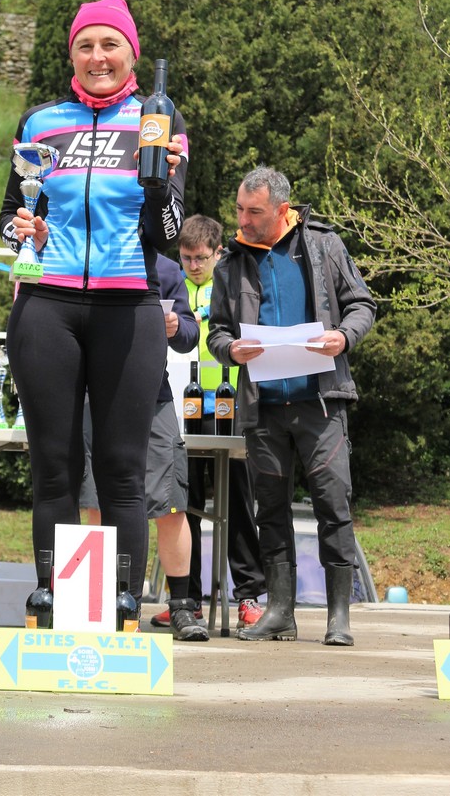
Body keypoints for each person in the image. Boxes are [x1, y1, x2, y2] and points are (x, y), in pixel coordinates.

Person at [0, 0, 188, 605]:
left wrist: (159, 184)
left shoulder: (157, 120)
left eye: (110, 44)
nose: (98, 56)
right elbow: (11, 215)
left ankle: (124, 599)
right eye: (86, 45)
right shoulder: (40, 122)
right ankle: (51, 593)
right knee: (52, 465)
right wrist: (22, 232)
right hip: (46, 307)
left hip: (128, 307)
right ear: (72, 55)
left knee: (121, 468)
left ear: (132, 53)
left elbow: (167, 234)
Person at [207, 166, 376, 646]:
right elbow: (217, 331)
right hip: (262, 407)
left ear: (283, 210)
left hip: (321, 403)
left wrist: (343, 337)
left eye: (254, 212)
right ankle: (280, 611)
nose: (243, 220)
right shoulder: (229, 262)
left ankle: (338, 616)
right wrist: (230, 350)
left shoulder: (324, 244)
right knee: (270, 510)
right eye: (239, 209)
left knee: (333, 504)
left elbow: (362, 304)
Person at [80, 252, 209, 641]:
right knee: (97, 503)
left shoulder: (166, 268)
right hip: (94, 396)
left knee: (170, 504)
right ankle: (103, 604)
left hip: (154, 398)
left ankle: (182, 606)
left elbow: (190, 334)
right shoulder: (89, 256)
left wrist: (176, 326)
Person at [151, 214, 266, 632]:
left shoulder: (232, 284)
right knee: (186, 506)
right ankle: (188, 600)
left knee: (238, 505)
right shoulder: (173, 285)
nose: (194, 265)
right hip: (184, 411)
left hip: (229, 409)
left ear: (218, 252)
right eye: (187, 258)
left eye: (201, 257)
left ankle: (249, 597)